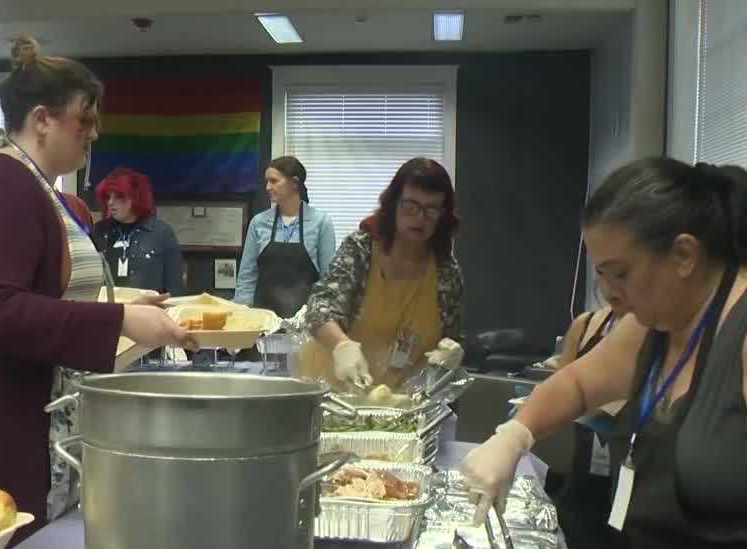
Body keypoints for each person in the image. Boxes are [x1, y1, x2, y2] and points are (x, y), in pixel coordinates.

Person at [0, 35, 193, 543]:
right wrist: (121, 321)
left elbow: (38, 292)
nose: (94, 133)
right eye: (84, 120)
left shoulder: (34, 183)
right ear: (42, 119)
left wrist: (123, 302)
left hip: (18, 416)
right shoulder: (0, 183)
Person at [461, 158, 747, 548]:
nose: (609, 293)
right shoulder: (655, 322)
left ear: (684, 255)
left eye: (621, 273)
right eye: (601, 273)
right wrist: (513, 435)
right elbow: (578, 383)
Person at [299, 157, 463, 390]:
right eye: (410, 206)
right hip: (333, 392)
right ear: (394, 204)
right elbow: (320, 307)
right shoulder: (362, 249)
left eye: (431, 210)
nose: (420, 218)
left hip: (399, 404)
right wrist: (341, 346)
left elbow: (452, 339)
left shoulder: (446, 272)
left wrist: (450, 356)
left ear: (443, 215)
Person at [547, 287, 629, 549]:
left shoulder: (656, 330)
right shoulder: (585, 325)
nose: (612, 285)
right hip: (584, 465)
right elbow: (563, 385)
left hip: (628, 471)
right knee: (575, 523)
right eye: (603, 274)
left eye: (622, 273)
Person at [233, 156, 336, 318]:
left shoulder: (321, 222)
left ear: (294, 183)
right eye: (267, 181)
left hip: (306, 322)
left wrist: (325, 319)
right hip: (263, 320)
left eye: (274, 181)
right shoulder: (258, 223)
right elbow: (247, 277)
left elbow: (328, 280)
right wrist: (240, 316)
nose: (267, 187)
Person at [94, 168, 184, 296]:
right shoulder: (100, 231)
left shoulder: (161, 233)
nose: (110, 202)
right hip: (109, 312)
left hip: (150, 312)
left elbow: (174, 288)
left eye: (119, 196)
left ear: (136, 198)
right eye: (108, 196)